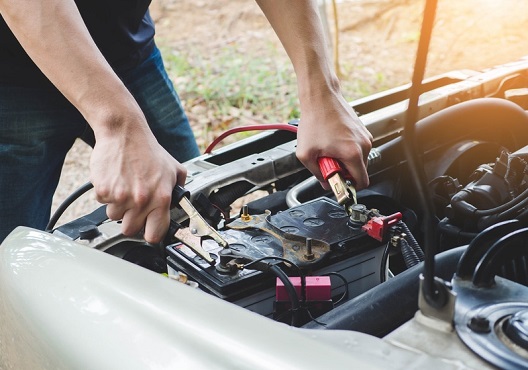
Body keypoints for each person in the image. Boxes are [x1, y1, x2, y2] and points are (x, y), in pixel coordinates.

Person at [0, 0, 373, 243]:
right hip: (12, 81)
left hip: (130, 54)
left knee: (195, 210)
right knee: (10, 256)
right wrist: (119, 124)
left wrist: (322, 93)